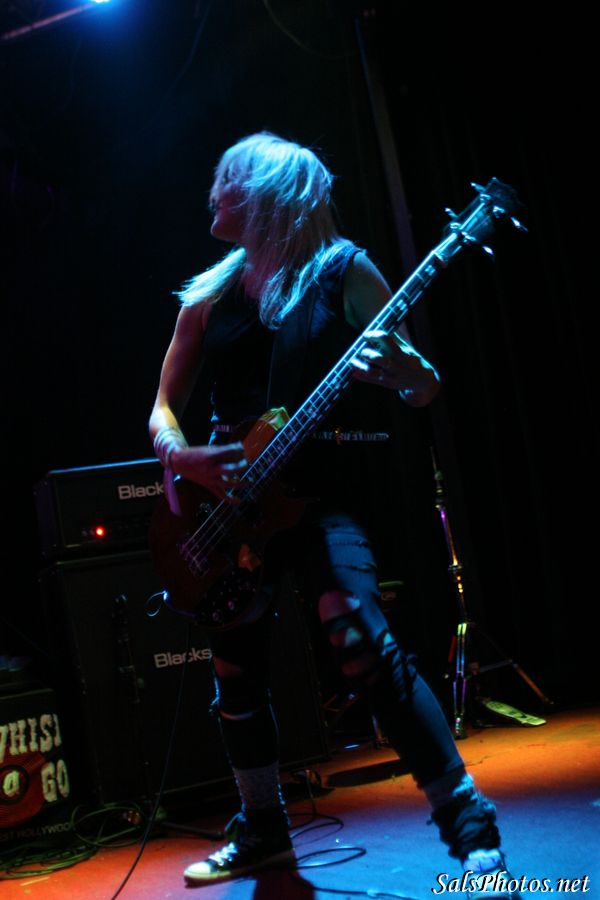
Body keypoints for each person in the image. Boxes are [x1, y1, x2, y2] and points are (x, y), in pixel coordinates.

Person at [149, 132, 518, 897]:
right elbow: (163, 407)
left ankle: (471, 830)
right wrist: (183, 458)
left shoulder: (343, 271)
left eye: (227, 180)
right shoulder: (209, 295)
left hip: (321, 499)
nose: (212, 191)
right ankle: (261, 828)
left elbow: (422, 384)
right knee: (234, 671)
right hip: (229, 511)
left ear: (268, 196)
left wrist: (408, 374)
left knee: (358, 636)